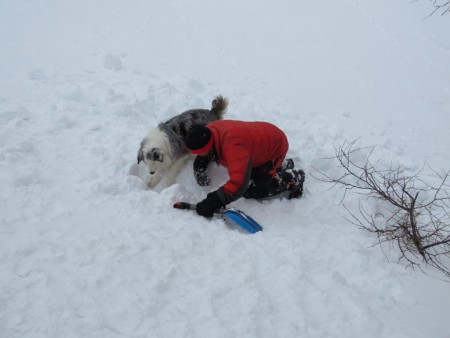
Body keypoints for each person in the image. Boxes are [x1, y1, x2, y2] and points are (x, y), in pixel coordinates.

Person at [184, 120, 305, 218]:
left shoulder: (232, 146)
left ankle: (294, 178)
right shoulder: (210, 130)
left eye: (199, 153)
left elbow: (239, 184)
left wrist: (212, 202)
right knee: (250, 170)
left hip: (276, 146)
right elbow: (207, 151)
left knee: (253, 189)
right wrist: (199, 165)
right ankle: (281, 165)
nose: (197, 156)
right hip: (260, 142)